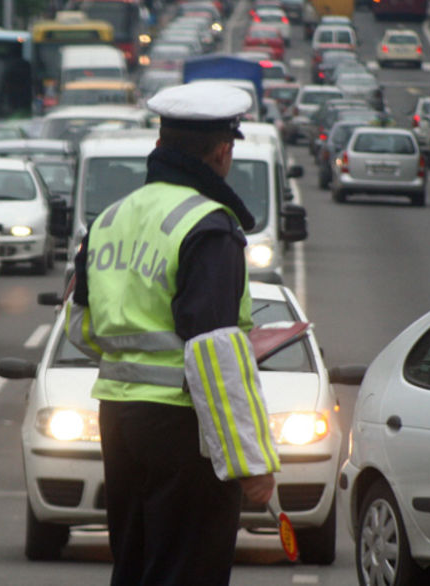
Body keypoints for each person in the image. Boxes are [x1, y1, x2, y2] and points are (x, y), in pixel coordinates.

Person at [67, 82, 279, 585]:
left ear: (160, 146)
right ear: (223, 152)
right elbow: (214, 351)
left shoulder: (110, 220)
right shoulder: (209, 225)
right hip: (185, 428)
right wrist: (251, 461)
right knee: (188, 570)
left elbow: (80, 327)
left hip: (118, 418)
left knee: (135, 564)